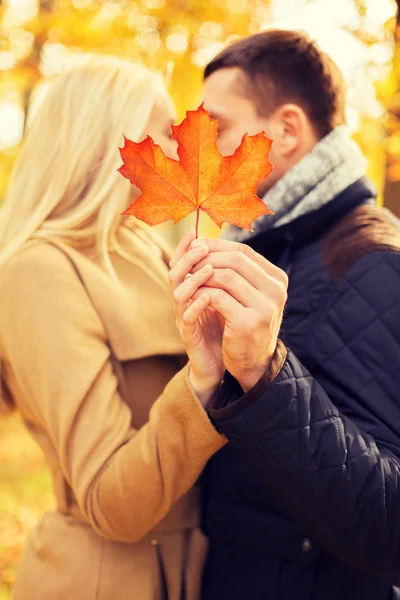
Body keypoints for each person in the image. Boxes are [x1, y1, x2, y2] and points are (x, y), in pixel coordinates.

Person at [169, 30, 400, 599]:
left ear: (288, 130)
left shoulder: (372, 264)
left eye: (218, 128)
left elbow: (389, 525)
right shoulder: (266, 249)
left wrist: (263, 375)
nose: (200, 153)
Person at [0, 56, 226, 600]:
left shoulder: (147, 247)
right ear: (104, 146)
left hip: (186, 569)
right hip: (105, 579)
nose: (180, 154)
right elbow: (110, 502)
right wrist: (201, 383)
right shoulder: (39, 270)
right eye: (162, 137)